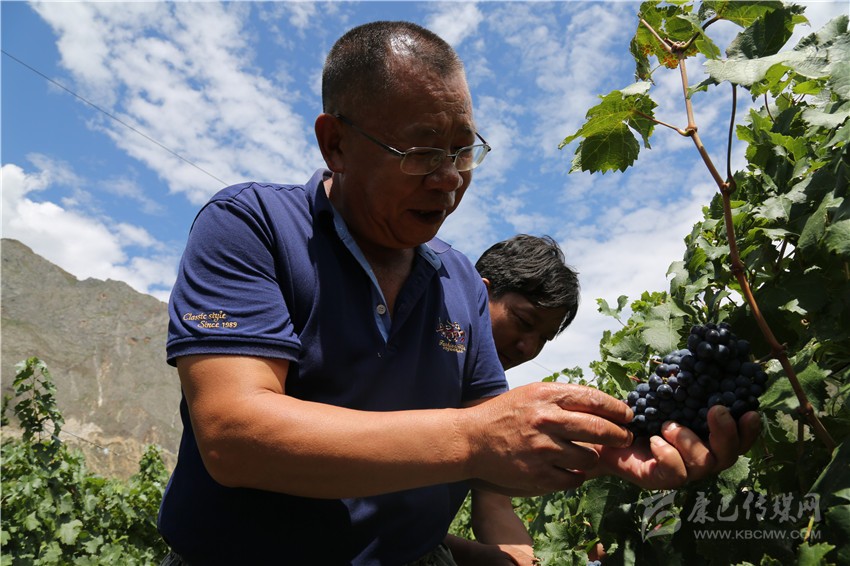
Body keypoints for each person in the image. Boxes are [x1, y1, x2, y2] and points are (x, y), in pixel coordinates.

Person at [158, 21, 761, 565]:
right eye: (420, 152)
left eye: (463, 150)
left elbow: (493, 452)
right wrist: (473, 438)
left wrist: (602, 453)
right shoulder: (252, 226)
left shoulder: (459, 281)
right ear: (335, 143)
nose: (449, 178)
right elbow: (234, 436)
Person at [446, 234, 580, 565]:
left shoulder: (493, 401)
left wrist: (532, 561)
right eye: (523, 322)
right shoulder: (419, 352)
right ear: (479, 292)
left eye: (543, 339)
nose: (527, 348)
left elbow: (494, 508)